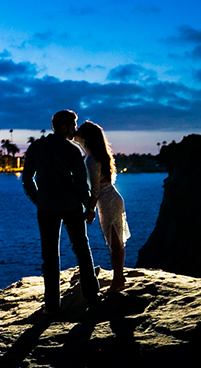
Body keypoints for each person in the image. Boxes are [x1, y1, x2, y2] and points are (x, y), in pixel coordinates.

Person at [22, 110, 100, 313]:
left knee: (49, 256)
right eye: (73, 126)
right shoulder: (72, 150)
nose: (75, 130)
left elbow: (27, 180)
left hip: (46, 208)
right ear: (64, 127)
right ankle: (92, 296)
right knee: (82, 249)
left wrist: (38, 200)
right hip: (71, 206)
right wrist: (89, 207)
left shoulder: (37, 147)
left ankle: (51, 305)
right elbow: (82, 184)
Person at [75, 121, 131, 294]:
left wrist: (90, 210)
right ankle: (119, 277)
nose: (75, 134)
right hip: (111, 198)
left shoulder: (92, 158)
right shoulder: (98, 155)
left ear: (86, 137)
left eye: (79, 132)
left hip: (107, 201)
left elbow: (96, 189)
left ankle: (117, 281)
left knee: (114, 242)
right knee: (115, 241)